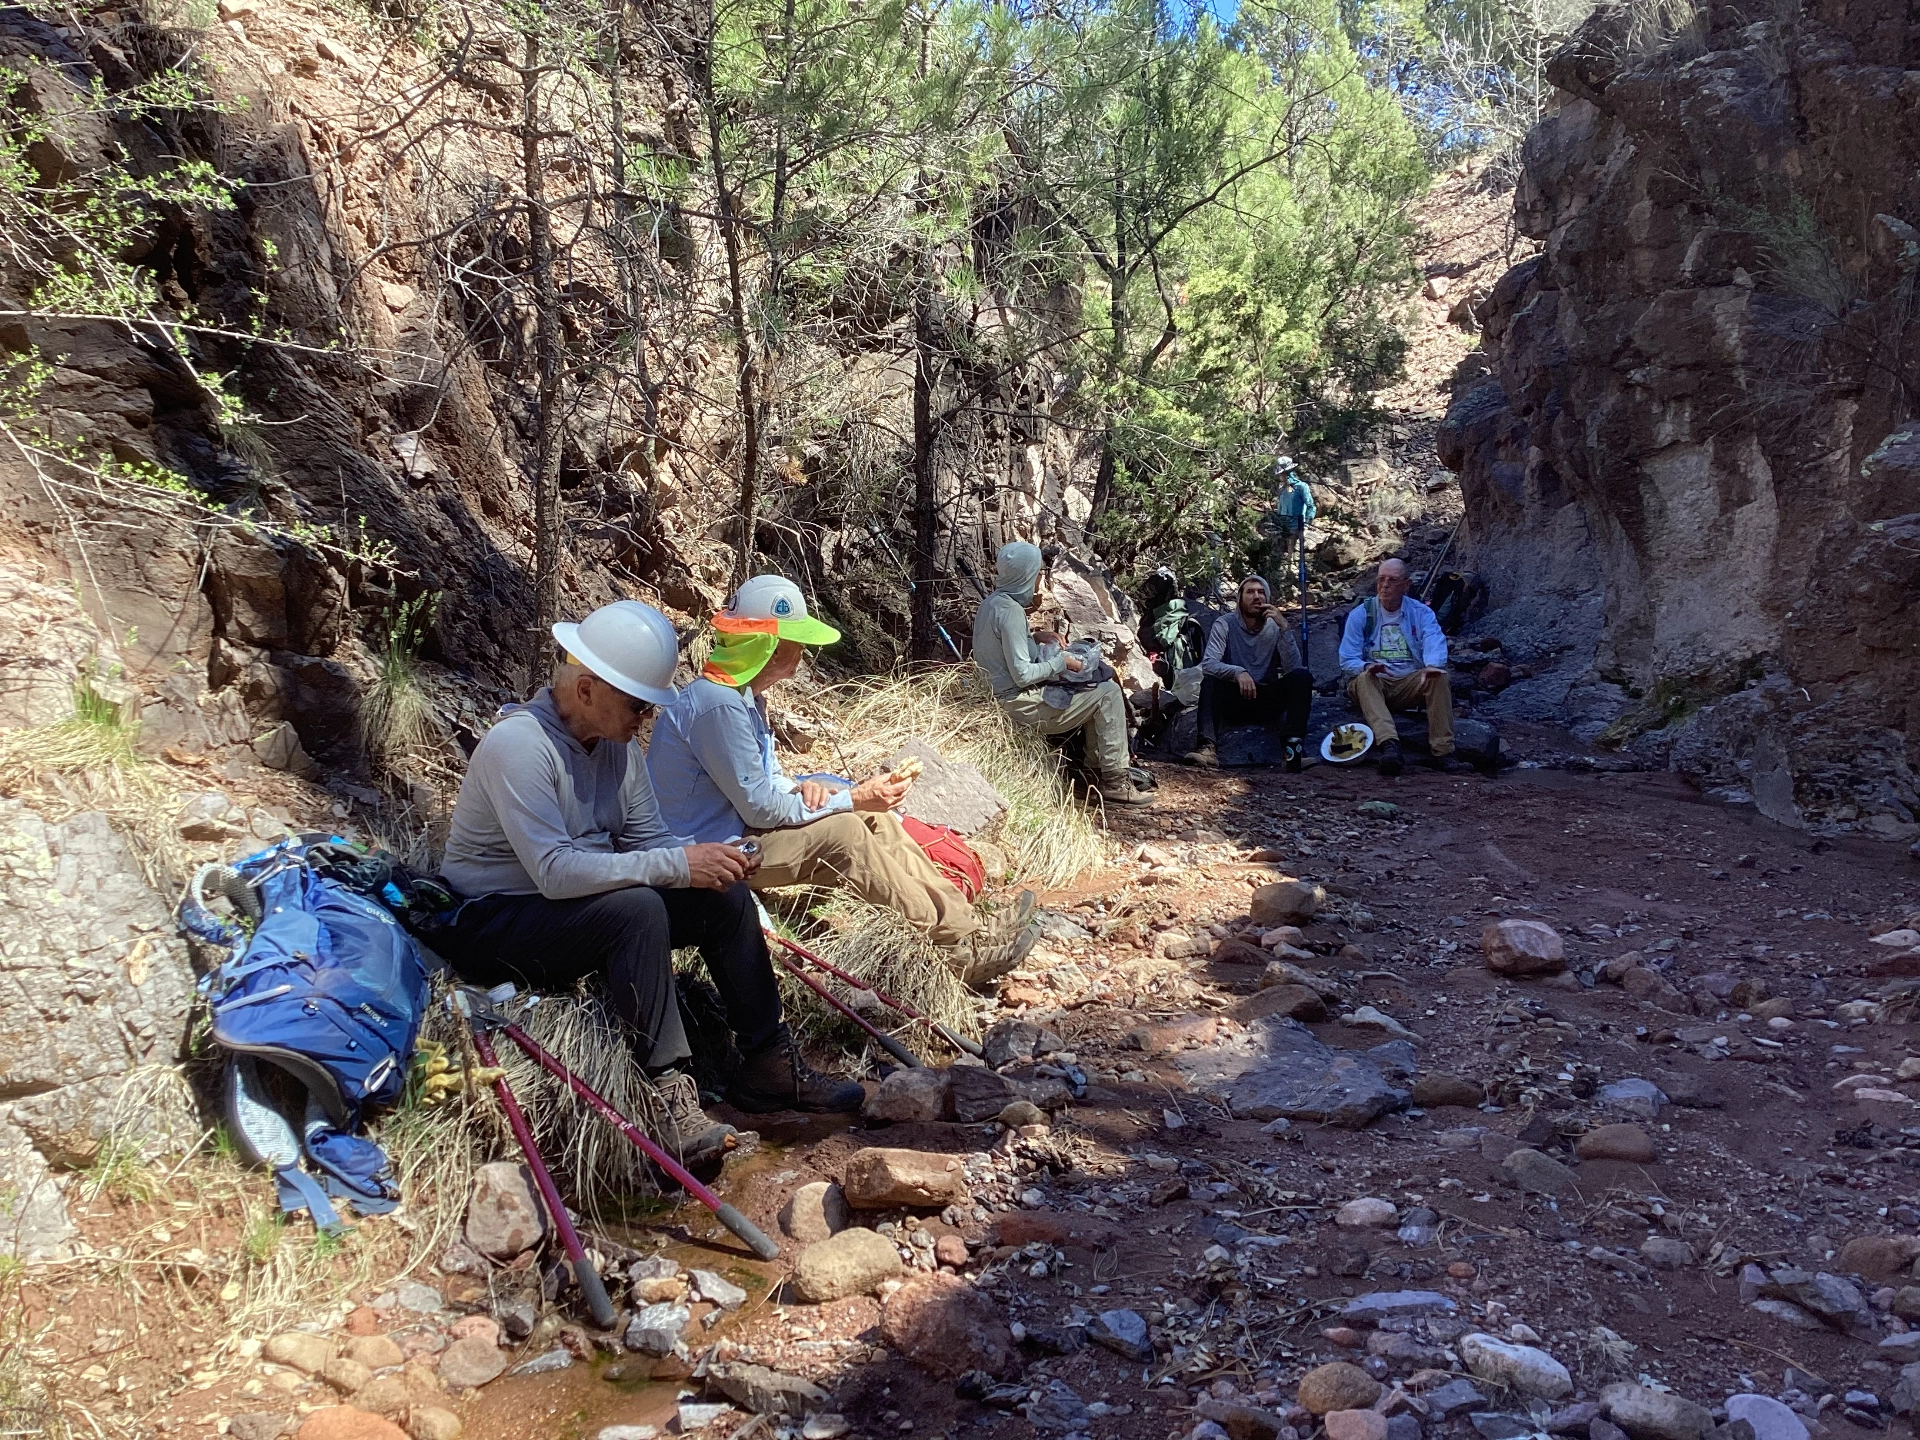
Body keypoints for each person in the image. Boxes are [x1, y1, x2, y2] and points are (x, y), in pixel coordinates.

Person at [438, 599, 865, 1165]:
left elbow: (650, 841)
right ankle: (665, 1094)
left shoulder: (616, 750)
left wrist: (714, 858)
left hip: (566, 906)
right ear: (586, 690)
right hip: (494, 918)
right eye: (637, 703)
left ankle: (766, 1060)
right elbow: (555, 871)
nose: (645, 717)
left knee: (722, 898)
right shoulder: (518, 747)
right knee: (636, 909)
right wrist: (680, 865)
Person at [649, 575, 1039, 985]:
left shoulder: (743, 696)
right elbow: (759, 807)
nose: (801, 652)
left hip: (738, 834)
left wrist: (806, 788)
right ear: (771, 646)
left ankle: (965, 927)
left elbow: (769, 780)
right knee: (845, 834)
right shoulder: (719, 706)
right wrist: (852, 799)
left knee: (878, 819)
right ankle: (955, 952)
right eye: (795, 642)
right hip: (711, 856)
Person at [972, 541, 1150, 807]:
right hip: (1018, 705)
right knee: (1108, 693)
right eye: (1035, 574)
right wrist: (1062, 662)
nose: (1036, 581)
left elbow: (1003, 648)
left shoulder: (991, 604)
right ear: (1025, 575)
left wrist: (1035, 637)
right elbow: (1022, 675)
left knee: (1092, 693)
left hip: (998, 698)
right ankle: (1113, 780)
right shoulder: (1011, 612)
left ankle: (1088, 776)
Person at [1337, 558, 1466, 776]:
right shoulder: (1362, 613)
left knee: (1438, 677)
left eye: (1392, 580)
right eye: (1381, 580)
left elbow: (1434, 639)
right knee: (1364, 678)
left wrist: (1432, 665)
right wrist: (1367, 665)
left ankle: (1443, 751)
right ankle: (1390, 745)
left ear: (1406, 585)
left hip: (1408, 682)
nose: (1385, 585)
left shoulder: (1421, 613)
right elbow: (1347, 659)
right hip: (1375, 683)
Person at [1186, 575, 1314, 771]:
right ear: (1239, 599)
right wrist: (1238, 673)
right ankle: (1207, 749)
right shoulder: (1225, 624)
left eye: (1261, 592)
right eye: (1250, 592)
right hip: (1234, 700)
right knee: (1210, 682)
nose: (1257, 597)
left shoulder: (1275, 627)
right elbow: (1208, 664)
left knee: (1302, 678)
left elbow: (1292, 669)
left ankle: (1292, 753)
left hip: (1266, 698)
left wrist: (1285, 628)